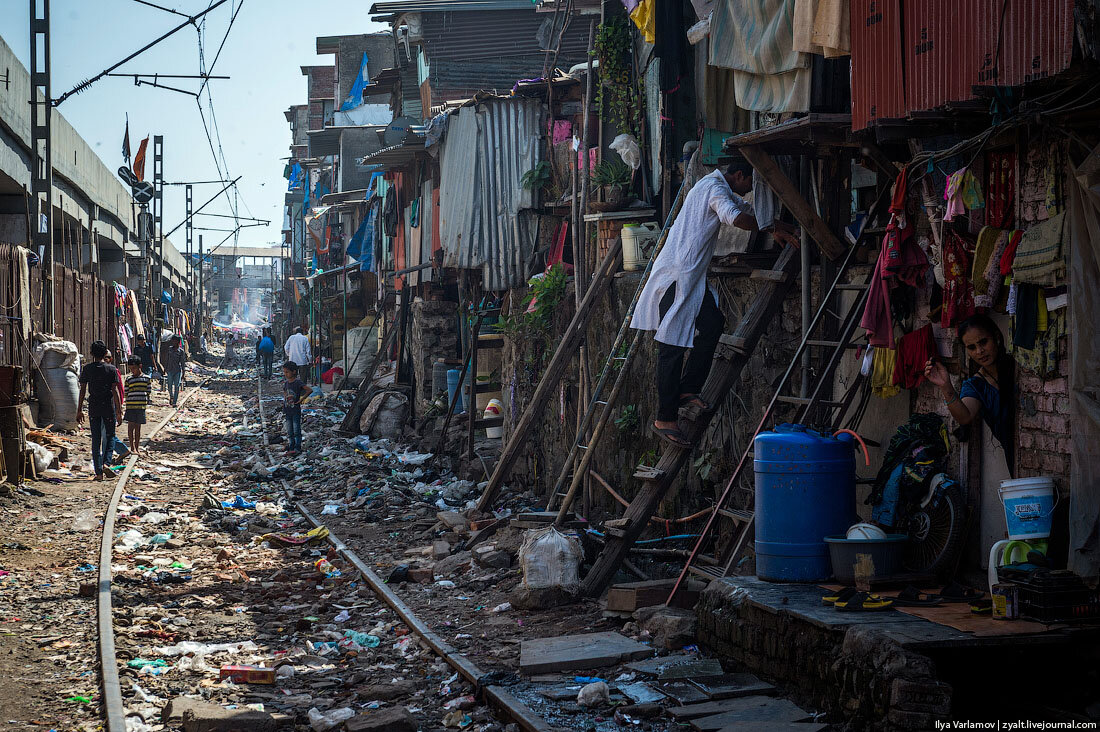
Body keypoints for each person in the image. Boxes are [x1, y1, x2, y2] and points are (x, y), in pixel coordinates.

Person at [632, 158, 798, 447]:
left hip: (692, 279)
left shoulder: (715, 186)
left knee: (712, 324)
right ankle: (664, 417)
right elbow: (735, 216)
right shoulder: (713, 188)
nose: (748, 191)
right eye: (748, 184)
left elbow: (749, 210)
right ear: (737, 175)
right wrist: (770, 229)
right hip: (676, 277)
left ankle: (688, 389)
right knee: (670, 348)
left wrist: (781, 225)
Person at [924, 313, 1015, 474]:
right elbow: (964, 416)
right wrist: (945, 386)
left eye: (983, 342)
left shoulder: (1018, 366)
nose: (980, 351)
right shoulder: (976, 385)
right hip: (1015, 457)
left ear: (995, 337)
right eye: (972, 347)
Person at [77, 340, 123, 481]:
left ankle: (98, 473)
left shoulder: (87, 369)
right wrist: (119, 411)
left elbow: (83, 390)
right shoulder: (111, 369)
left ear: (91, 353)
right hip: (108, 407)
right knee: (110, 436)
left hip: (94, 406)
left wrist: (79, 410)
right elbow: (115, 391)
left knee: (95, 439)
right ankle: (106, 463)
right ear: (105, 354)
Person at [104, 350, 131, 463]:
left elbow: (119, 389)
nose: (104, 360)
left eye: (107, 358)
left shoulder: (113, 371)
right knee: (106, 432)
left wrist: (119, 406)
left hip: (112, 405)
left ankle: (121, 450)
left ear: (110, 359)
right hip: (103, 405)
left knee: (108, 432)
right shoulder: (100, 370)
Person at [123, 355, 152, 457]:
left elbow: (148, 391)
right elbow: (126, 392)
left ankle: (137, 446)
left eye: (134, 368)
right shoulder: (129, 379)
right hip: (131, 406)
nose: (132, 371)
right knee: (131, 426)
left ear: (140, 366)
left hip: (140, 406)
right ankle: (132, 447)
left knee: (138, 427)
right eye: (130, 369)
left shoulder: (147, 378)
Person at [282, 361, 307, 455]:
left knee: (296, 429)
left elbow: (309, 390)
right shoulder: (286, 383)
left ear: (294, 372)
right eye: (284, 372)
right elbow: (285, 392)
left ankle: (297, 447)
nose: (285, 374)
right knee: (289, 430)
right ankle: (291, 446)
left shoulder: (297, 382)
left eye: (287, 372)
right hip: (287, 409)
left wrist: (301, 399)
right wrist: (285, 400)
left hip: (295, 409)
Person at [162, 335, 187, 407]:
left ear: (177, 342)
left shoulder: (181, 351)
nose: (173, 342)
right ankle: (171, 396)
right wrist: (164, 368)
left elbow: (182, 362)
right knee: (169, 385)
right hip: (169, 370)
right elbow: (167, 359)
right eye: (172, 340)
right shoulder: (169, 349)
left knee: (177, 386)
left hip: (177, 371)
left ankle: (174, 402)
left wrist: (183, 373)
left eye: (174, 341)